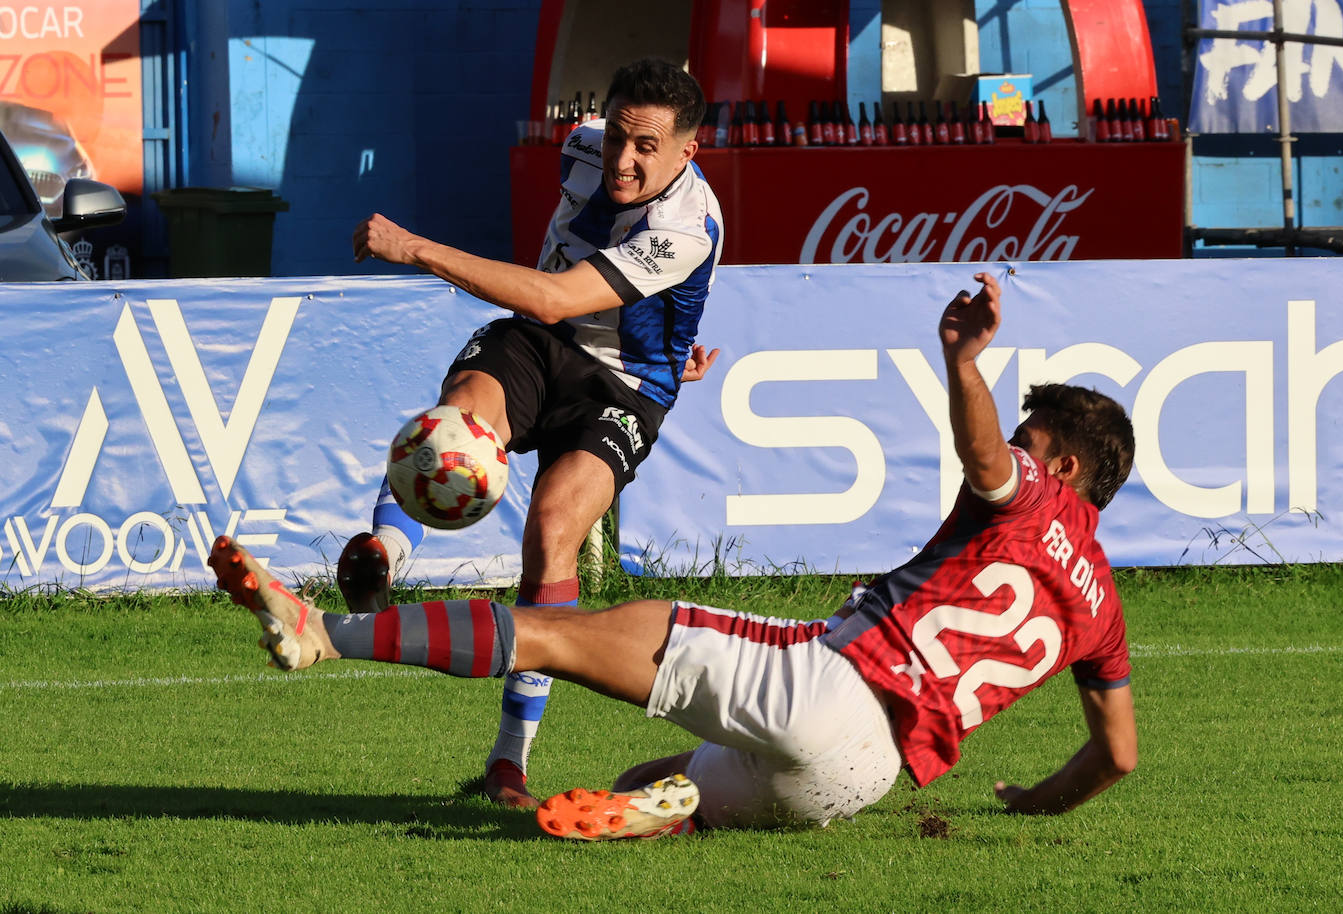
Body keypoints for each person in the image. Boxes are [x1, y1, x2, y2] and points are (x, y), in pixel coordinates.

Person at [209, 272, 1138, 839]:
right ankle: (664, 812)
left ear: (1060, 462)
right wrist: (1034, 804)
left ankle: (323, 633)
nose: (1015, 443)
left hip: (829, 683)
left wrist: (964, 360)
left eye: (1030, 436)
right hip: (863, 779)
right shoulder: (1100, 603)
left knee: (554, 632)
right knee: (644, 784)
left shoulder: (1034, 488)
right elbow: (1118, 757)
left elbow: (985, 458)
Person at [343, 57, 724, 808]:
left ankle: (508, 762)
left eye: (647, 147)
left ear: (688, 152)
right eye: (618, 135)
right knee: (459, 420)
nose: (622, 159)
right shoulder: (578, 146)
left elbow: (554, 295)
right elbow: (548, 306)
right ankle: (378, 559)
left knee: (553, 528)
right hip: (538, 343)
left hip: (625, 385)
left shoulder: (684, 228)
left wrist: (416, 248)